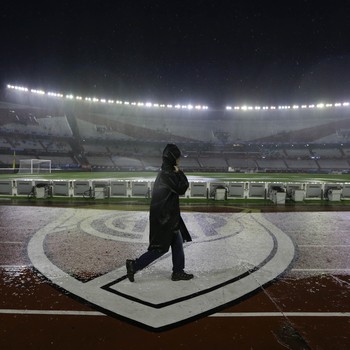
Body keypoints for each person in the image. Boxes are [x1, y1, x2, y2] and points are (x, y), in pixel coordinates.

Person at [126, 143, 194, 282]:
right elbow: (182, 188)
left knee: (177, 244)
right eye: (178, 158)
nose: (180, 160)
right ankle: (134, 265)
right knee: (159, 249)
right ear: (172, 158)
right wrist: (180, 172)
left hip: (169, 217)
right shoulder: (167, 174)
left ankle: (178, 272)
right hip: (164, 219)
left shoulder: (167, 172)